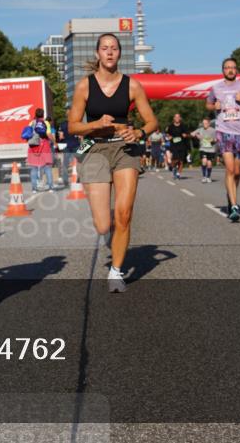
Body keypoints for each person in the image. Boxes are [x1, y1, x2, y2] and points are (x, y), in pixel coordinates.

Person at [68, 33, 157, 293]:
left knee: (124, 214)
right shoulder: (85, 86)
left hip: (124, 149)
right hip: (94, 149)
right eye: (105, 48)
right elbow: (73, 126)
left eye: (114, 48)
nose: (109, 52)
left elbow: (152, 121)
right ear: (97, 53)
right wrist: (95, 124)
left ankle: (116, 270)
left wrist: (139, 132)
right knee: (103, 225)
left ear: (120, 54)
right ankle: (110, 234)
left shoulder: (132, 86)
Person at [207, 57, 240, 222]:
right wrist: (213, 107)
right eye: (227, 67)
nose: (230, 70)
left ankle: (231, 195)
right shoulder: (216, 88)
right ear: (223, 70)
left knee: (237, 172)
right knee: (229, 169)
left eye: (233, 67)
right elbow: (208, 104)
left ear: (236, 70)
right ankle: (235, 206)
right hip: (223, 131)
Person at [25, 108, 54, 192]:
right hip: (44, 146)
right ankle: (50, 187)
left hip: (33, 147)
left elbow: (27, 135)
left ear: (35, 114)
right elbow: (48, 134)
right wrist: (54, 142)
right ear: (43, 114)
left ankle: (34, 189)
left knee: (33, 168)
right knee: (47, 167)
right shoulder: (46, 123)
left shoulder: (31, 123)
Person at [192, 117, 217, 184]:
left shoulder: (213, 130)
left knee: (209, 163)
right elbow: (192, 133)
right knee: (204, 161)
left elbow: (217, 139)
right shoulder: (200, 129)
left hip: (211, 149)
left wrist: (212, 140)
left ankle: (208, 177)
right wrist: (196, 135)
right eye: (203, 123)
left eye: (206, 123)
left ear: (209, 123)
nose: (204, 124)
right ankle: (204, 177)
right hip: (203, 148)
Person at [165, 113, 188, 180]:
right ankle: (173, 168)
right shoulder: (170, 127)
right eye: (176, 117)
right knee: (175, 160)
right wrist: (169, 137)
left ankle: (178, 174)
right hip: (174, 146)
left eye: (178, 117)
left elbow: (187, 134)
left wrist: (185, 135)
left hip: (182, 145)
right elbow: (167, 134)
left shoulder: (183, 126)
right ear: (174, 118)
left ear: (180, 118)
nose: (177, 118)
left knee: (181, 161)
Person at [57, 118, 80, 185]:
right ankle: (78, 178)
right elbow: (80, 136)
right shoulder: (76, 123)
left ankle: (65, 180)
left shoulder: (63, 124)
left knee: (65, 164)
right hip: (76, 145)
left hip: (66, 146)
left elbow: (61, 137)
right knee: (76, 163)